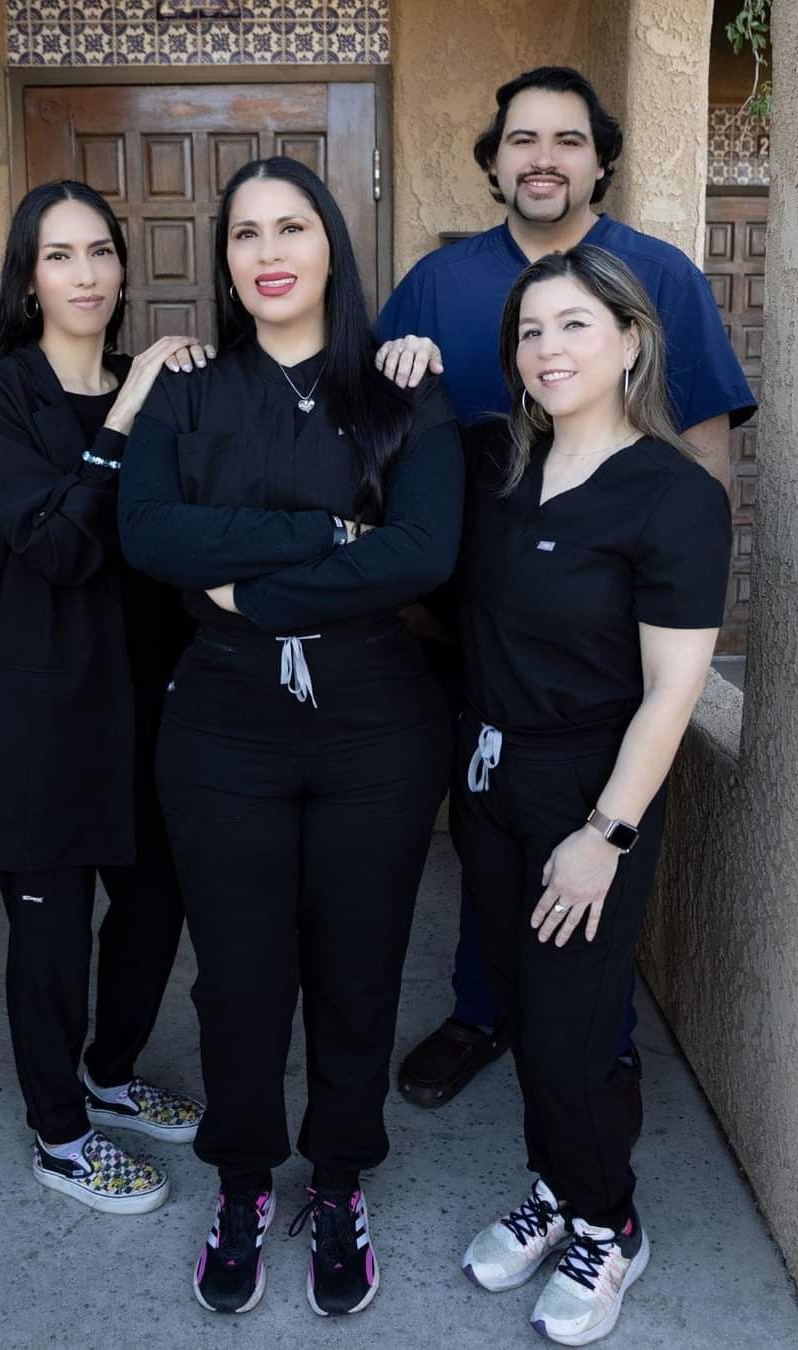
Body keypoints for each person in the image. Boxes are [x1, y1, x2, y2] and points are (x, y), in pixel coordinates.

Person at [118, 156, 463, 1317]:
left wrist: (255, 587)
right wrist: (326, 534)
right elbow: (154, 531)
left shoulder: (400, 388)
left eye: (293, 227)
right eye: (246, 233)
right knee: (242, 977)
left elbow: (420, 551)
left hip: (376, 729)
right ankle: (243, 1178)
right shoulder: (189, 390)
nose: (269, 250)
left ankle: (344, 1174)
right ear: (224, 261)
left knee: (359, 971)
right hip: (223, 727)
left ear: (332, 245)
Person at [377, 65, 755, 1114]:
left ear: (600, 160)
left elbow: (707, 450)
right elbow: (370, 431)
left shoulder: (660, 275)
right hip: (463, 625)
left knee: (592, 839)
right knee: (489, 830)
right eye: (522, 140)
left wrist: (674, 595)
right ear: (494, 161)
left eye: (568, 141)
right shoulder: (439, 284)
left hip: (605, 633)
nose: (543, 158)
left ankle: (597, 1049)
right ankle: (480, 1011)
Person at [453, 244, 731, 1345]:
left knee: (574, 1022)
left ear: (630, 341)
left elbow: (673, 691)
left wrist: (604, 834)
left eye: (574, 325)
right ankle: (560, 1185)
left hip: (592, 788)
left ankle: (610, 1224)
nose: (548, 349)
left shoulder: (673, 495)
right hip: (488, 774)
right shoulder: (498, 467)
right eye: (530, 331)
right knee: (522, 1006)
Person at [0, 180, 203, 1215]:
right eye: (60, 256)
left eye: (100, 251)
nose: (88, 273)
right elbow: (55, 546)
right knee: (51, 940)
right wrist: (127, 412)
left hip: (150, 706)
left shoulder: (162, 388)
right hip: (46, 714)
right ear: (28, 277)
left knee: (155, 910)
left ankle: (108, 1071)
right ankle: (60, 1133)